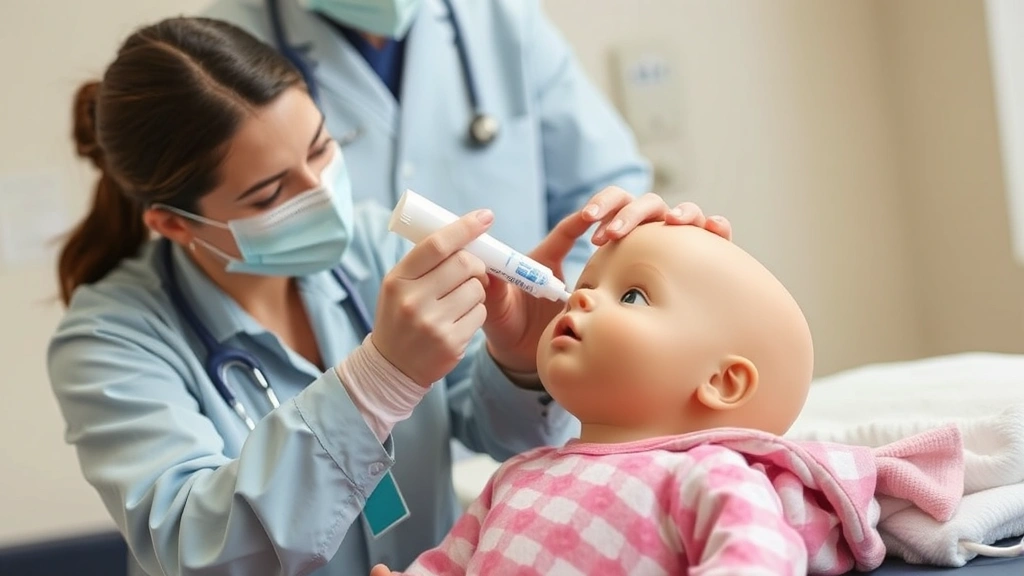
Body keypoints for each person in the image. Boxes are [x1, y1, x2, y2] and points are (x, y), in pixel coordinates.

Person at [48, 17, 731, 576]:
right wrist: (375, 384)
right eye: (270, 193)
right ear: (172, 222)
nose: (321, 195)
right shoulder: (109, 339)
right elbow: (195, 546)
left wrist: (521, 363)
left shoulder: (373, 246)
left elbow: (503, 432)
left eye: (321, 149)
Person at [368, 223, 916, 575]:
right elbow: (449, 565)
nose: (580, 294)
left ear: (723, 382)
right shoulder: (514, 479)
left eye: (631, 294)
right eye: (589, 281)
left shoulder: (708, 478)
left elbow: (757, 560)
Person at [198, 0, 677, 288]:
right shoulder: (220, 54)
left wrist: (565, 309)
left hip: (532, 385)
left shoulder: (496, 14)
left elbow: (605, 190)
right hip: (356, 388)